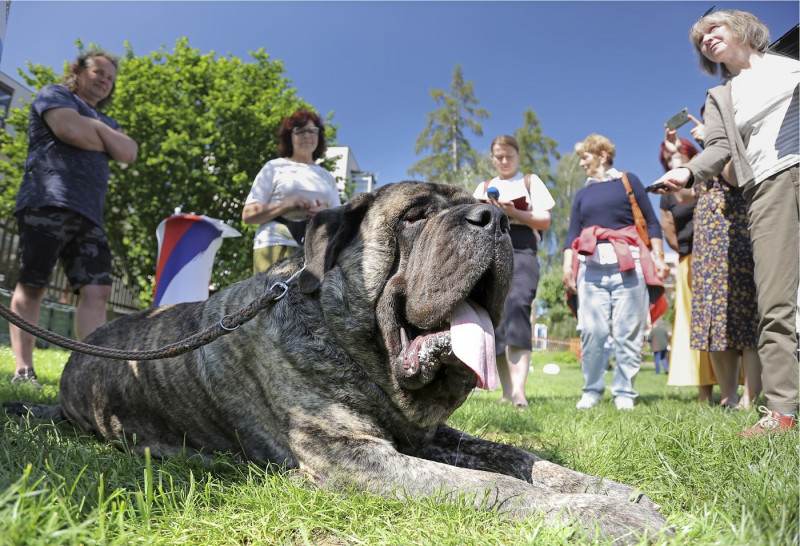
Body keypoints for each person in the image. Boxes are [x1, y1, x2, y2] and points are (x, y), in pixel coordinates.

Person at [652, 9, 798, 435]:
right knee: (774, 302)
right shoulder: (722, 97)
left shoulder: (791, 61)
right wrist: (686, 172)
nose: (706, 39)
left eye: (713, 28)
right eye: (700, 38)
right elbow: (717, 148)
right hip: (769, 188)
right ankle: (782, 412)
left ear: (742, 27)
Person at [10, 50, 138, 390]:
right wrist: (102, 136)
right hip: (46, 201)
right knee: (33, 283)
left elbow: (128, 153)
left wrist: (94, 125)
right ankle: (23, 370)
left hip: (89, 215)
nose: (104, 81)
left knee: (97, 291)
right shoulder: (55, 94)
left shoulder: (107, 120)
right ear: (79, 71)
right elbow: (68, 130)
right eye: (99, 72)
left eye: (110, 78)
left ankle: (88, 374)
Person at [563, 134, 669, 411]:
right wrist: (567, 266)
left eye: (585, 156)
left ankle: (624, 391)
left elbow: (651, 223)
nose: (582, 162)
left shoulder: (628, 181)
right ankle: (592, 390)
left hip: (629, 268)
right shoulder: (583, 193)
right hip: (591, 270)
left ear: (601, 154)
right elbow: (572, 234)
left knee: (627, 333)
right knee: (592, 331)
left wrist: (658, 256)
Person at [673, 117, 762, 410]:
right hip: (706, 249)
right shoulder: (701, 158)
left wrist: (709, 141)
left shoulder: (739, 146)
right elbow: (684, 195)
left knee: (746, 321)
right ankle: (728, 397)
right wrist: (677, 154)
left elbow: (735, 177)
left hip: (736, 242)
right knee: (713, 322)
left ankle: (750, 397)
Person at [474, 135, 554, 407]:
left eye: (509, 155)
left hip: (522, 248)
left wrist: (515, 213)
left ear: (517, 156)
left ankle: (520, 390)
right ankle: (507, 392)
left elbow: (544, 220)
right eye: (499, 156)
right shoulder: (484, 187)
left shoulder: (529, 182)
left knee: (519, 305)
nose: (504, 161)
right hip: (490, 251)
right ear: (492, 158)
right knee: (495, 316)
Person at [242, 110, 340, 273]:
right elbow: (248, 215)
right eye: (299, 131)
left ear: (319, 136)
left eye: (312, 130)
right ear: (290, 137)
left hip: (316, 252)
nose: (307, 135)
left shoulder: (327, 176)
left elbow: (339, 220)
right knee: (269, 297)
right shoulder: (274, 167)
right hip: (274, 245)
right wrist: (286, 205)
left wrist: (324, 214)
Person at [658, 134, 715, 401]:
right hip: (688, 259)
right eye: (667, 159)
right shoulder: (668, 197)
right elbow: (669, 232)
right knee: (697, 324)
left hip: (719, 253)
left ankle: (739, 390)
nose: (671, 162)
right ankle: (705, 391)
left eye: (677, 156)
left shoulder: (708, 178)